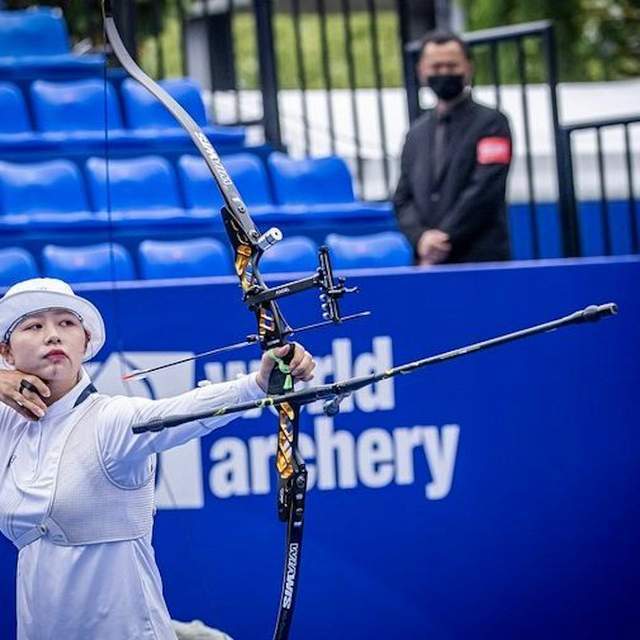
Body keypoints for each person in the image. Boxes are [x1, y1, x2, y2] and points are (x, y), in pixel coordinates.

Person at [0, 277, 316, 640]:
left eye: (66, 323)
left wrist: (256, 385)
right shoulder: (8, 421)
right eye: (33, 326)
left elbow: (179, 412)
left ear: (85, 342)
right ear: (7, 352)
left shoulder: (110, 419)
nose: (52, 335)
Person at [393, 30, 512, 265]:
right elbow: (402, 198)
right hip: (427, 264)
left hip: (481, 260)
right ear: (422, 71)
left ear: (468, 68)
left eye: (451, 65)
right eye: (436, 67)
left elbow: (485, 189)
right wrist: (421, 239)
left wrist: (441, 240)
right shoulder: (415, 133)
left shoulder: (492, 123)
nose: (444, 72)